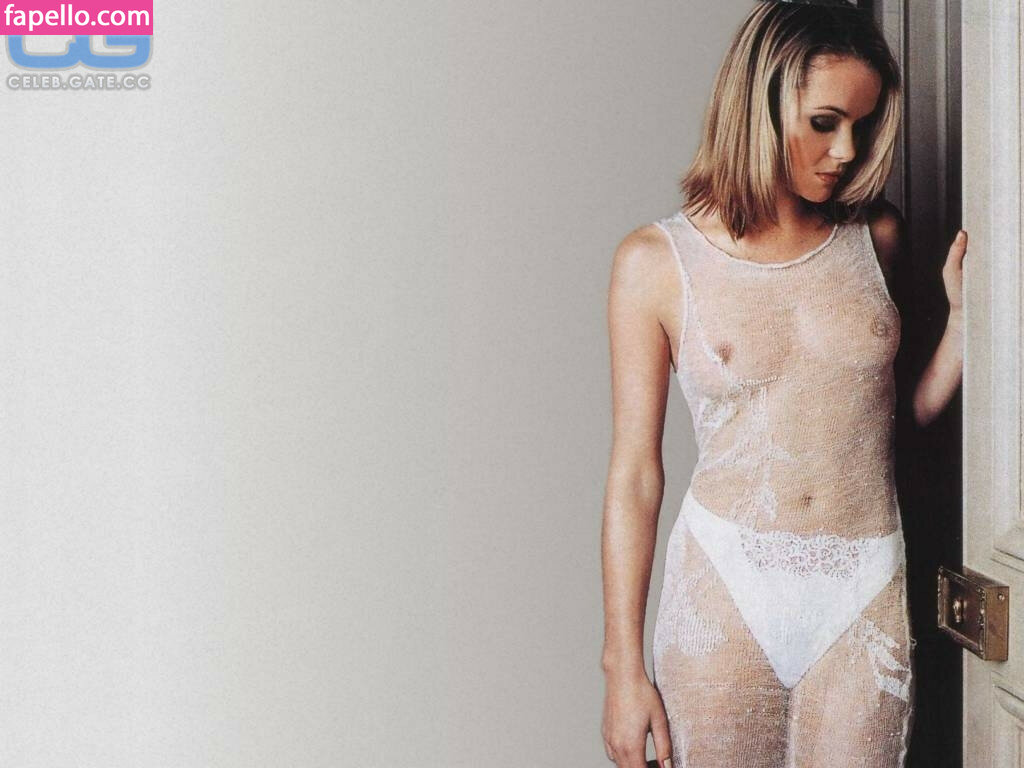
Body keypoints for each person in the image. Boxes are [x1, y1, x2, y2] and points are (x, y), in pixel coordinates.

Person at [600, 1, 967, 767]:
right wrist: (622, 669)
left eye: (863, 125)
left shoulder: (878, 239)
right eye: (825, 123)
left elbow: (891, 422)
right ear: (758, 107)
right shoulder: (655, 264)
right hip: (724, 585)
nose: (847, 151)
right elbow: (635, 475)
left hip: (863, 587)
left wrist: (964, 326)